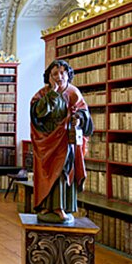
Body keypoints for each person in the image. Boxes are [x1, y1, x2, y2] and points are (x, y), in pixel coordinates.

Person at [30, 59, 94, 224]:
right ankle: (45, 205)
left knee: (62, 172)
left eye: (62, 73)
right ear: (49, 77)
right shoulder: (43, 94)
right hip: (47, 140)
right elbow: (37, 113)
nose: (59, 77)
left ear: (68, 74)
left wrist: (78, 119)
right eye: (55, 74)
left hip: (65, 141)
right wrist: (52, 94)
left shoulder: (73, 92)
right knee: (46, 172)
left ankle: (60, 207)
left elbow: (83, 113)